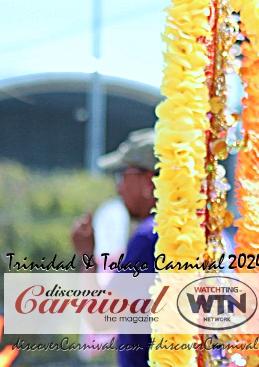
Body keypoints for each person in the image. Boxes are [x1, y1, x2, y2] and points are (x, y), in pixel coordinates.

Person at [71, 129, 158, 367]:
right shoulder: (192, 228)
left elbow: (101, 319)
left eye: (123, 175)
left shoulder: (149, 238)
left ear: (149, 180)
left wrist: (87, 256)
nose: (119, 188)